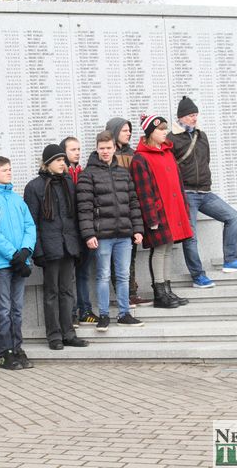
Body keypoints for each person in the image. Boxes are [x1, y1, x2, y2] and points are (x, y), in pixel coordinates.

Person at [167, 96, 237, 288]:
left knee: (232, 216)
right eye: (191, 115)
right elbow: (169, 168)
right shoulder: (171, 139)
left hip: (205, 192)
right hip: (187, 193)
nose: (194, 118)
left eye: (196, 114)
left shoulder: (201, 135)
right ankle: (198, 276)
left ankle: (231, 260)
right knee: (190, 236)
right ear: (181, 117)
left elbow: (205, 160)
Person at [77, 130, 145, 332]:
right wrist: (89, 234)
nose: (105, 151)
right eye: (102, 148)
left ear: (115, 148)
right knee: (103, 276)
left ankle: (124, 314)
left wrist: (138, 229)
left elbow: (133, 203)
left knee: (123, 275)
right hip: (102, 237)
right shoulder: (87, 175)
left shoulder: (123, 173)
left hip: (124, 235)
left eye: (108, 148)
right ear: (96, 149)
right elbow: (84, 208)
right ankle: (104, 315)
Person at [25, 144, 88, 350]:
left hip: (68, 246)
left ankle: (69, 333)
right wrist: (38, 251)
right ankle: (54, 336)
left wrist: (78, 245)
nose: (63, 164)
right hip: (50, 248)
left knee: (67, 291)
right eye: (59, 160)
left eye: (64, 160)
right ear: (48, 163)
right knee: (51, 292)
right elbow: (32, 222)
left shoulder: (68, 182)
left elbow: (74, 216)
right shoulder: (34, 187)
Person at [0, 156, 37, 370]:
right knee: (3, 309)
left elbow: (30, 226)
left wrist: (26, 250)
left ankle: (17, 347)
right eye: (4, 170)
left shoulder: (17, 199)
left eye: (10, 169)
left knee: (17, 309)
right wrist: (14, 255)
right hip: (1, 264)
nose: (9, 172)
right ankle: (5, 352)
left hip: (20, 261)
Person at [130, 114, 192, 308]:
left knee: (168, 250)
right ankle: (159, 293)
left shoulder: (167, 153)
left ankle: (167, 289)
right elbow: (144, 191)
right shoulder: (140, 159)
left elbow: (178, 184)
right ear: (151, 132)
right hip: (158, 212)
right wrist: (151, 217)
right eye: (161, 129)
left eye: (165, 128)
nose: (165, 132)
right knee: (159, 250)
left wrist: (184, 209)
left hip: (173, 210)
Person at [105, 117, 153, 308]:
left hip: (132, 211)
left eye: (129, 130)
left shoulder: (133, 154)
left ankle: (132, 293)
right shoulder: (107, 154)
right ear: (115, 131)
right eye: (124, 130)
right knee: (116, 258)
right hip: (114, 213)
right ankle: (123, 294)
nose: (129, 133)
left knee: (130, 254)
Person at [62, 136, 94, 328]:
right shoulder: (62, 175)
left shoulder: (84, 173)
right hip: (69, 235)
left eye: (79, 149)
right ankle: (71, 313)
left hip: (85, 232)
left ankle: (86, 311)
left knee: (83, 273)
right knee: (69, 276)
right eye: (73, 149)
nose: (77, 153)